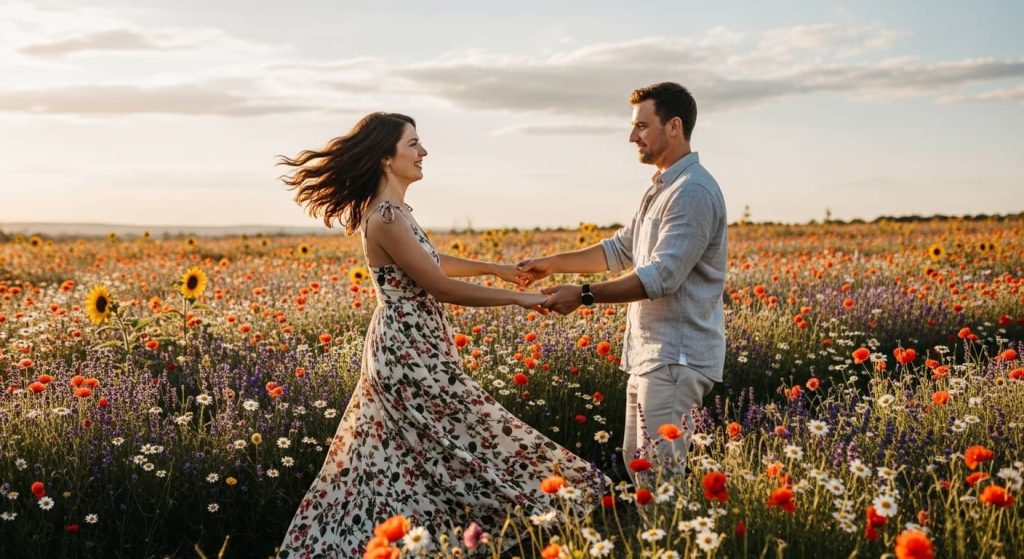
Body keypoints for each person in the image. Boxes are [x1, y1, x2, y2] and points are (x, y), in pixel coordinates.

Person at [276, 112, 601, 558]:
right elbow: (439, 285)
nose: (423, 152)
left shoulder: (396, 212)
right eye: (413, 144)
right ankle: (544, 507)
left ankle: (415, 543)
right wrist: (518, 299)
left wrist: (495, 268)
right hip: (408, 353)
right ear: (386, 157)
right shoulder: (387, 215)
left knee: (405, 456)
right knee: (460, 435)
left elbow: (430, 262)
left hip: (414, 347)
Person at [518, 82, 727, 480]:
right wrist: (551, 263)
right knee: (640, 462)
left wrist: (582, 295)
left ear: (674, 127)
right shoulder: (663, 189)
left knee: (659, 476)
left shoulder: (692, 191)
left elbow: (661, 277)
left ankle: (670, 541)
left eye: (642, 126)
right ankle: (660, 539)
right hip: (653, 355)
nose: (632, 136)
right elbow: (617, 250)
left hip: (675, 356)